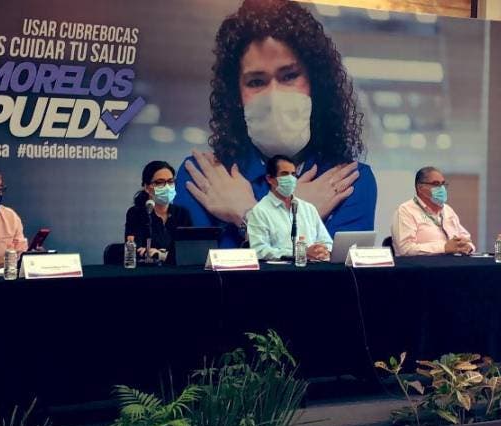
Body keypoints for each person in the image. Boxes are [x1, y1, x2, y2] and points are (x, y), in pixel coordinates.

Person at [173, 0, 377, 248]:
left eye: (289, 76)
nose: (273, 96)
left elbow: (329, 271)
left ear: (316, 83)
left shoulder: (350, 181)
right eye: (256, 82)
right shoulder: (203, 178)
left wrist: (247, 214)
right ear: (236, 95)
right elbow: (201, 272)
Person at [247, 155, 332, 261]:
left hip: (315, 268)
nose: (291, 179)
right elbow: (259, 251)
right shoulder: (260, 211)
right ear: (270, 179)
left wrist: (323, 251)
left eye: (293, 174)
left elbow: (327, 242)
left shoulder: (309, 208)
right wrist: (300, 253)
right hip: (282, 270)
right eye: (284, 174)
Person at [391, 166, 474, 256]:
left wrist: (468, 246)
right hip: (422, 264)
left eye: (443, 184)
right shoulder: (406, 211)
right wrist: (444, 247)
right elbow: (405, 249)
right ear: (420, 188)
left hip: (453, 263)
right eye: (436, 184)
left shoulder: (447, 210)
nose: (441, 188)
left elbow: (467, 239)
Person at [125, 161, 192, 263]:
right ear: (147, 187)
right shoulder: (136, 213)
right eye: (160, 182)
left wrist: (161, 255)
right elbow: (134, 252)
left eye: (170, 181)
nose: (167, 187)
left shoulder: (182, 213)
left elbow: (188, 251)